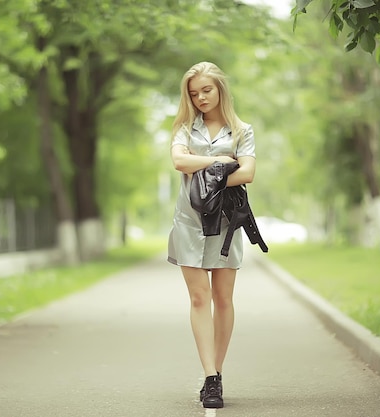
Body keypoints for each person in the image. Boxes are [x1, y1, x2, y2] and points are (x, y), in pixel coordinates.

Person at [167, 61, 256, 409]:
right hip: (189, 222)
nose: (201, 97)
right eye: (194, 93)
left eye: (206, 90)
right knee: (199, 299)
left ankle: (217, 372)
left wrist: (201, 164)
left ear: (220, 88)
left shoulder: (242, 129)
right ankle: (209, 376)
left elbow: (247, 172)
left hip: (226, 222)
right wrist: (220, 160)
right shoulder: (184, 129)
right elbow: (178, 161)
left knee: (223, 298)